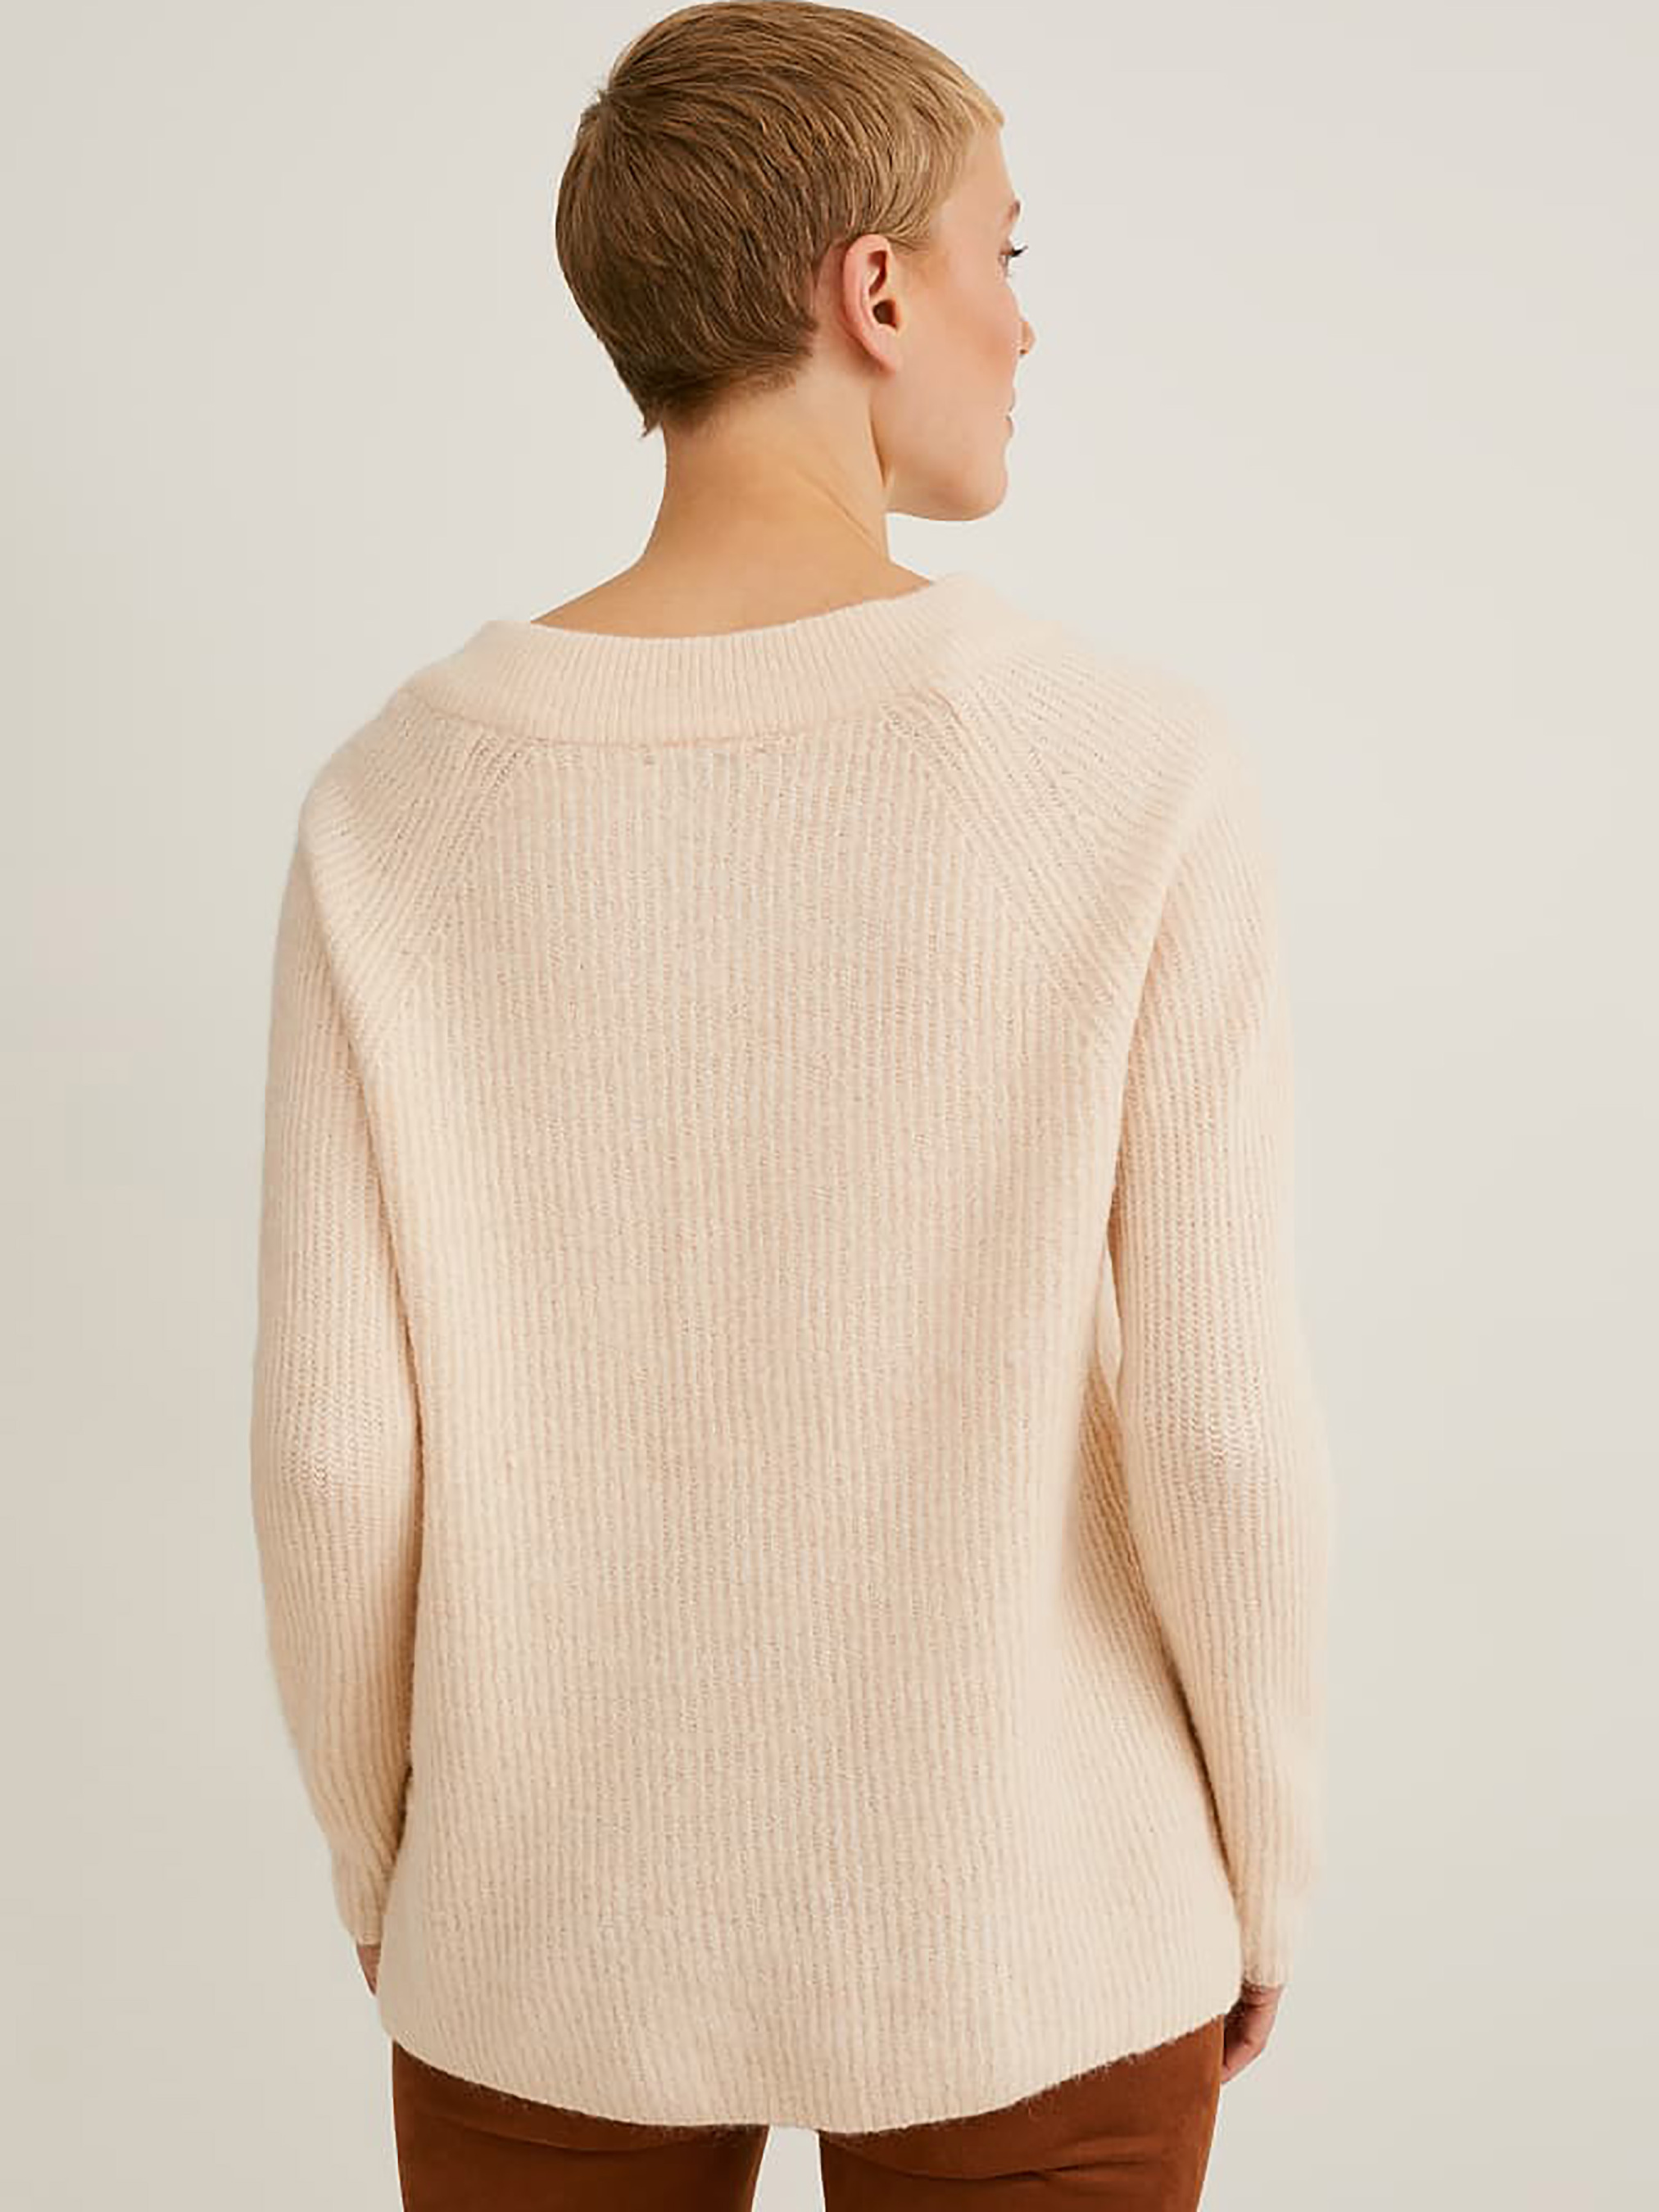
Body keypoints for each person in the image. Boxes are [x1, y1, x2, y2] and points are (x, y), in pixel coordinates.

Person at [247, 5, 1334, 2206]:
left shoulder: (394, 806)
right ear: (875, 291)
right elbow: (1218, 1426)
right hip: (1038, 1916)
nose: (1025, 322)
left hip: (542, 1928)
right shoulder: (1130, 771)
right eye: (1005, 252)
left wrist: (385, 1863)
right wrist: (1263, 1859)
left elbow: (336, 1450)